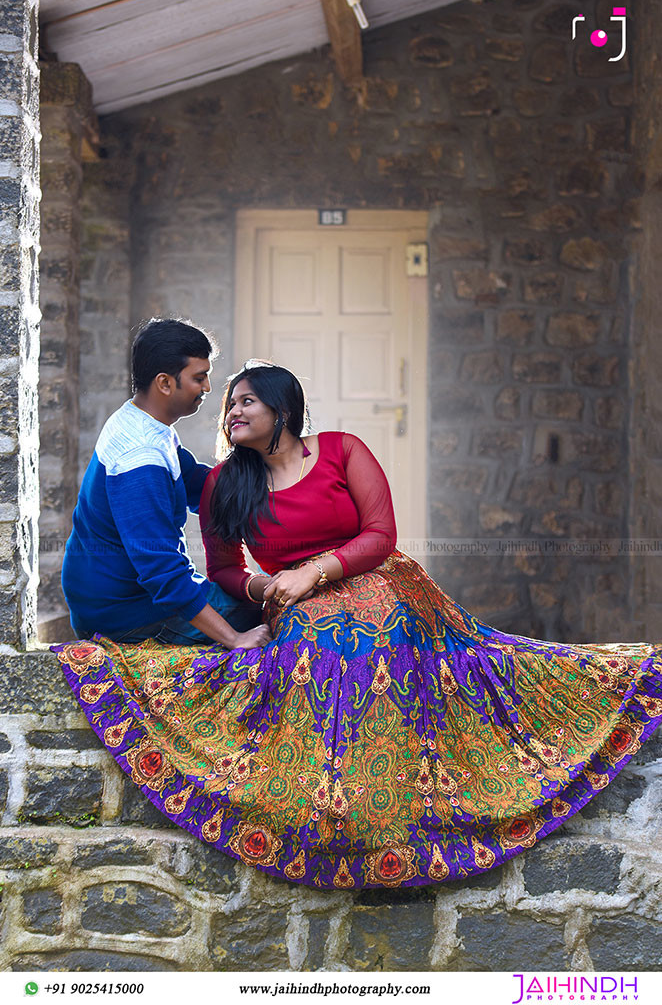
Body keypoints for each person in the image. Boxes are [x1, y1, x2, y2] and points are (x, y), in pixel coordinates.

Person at [54, 362, 662, 891]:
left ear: (282, 407)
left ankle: (415, 802)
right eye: (225, 403)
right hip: (296, 601)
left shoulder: (343, 450)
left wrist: (317, 570)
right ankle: (338, 809)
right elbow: (222, 569)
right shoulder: (223, 482)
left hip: (376, 578)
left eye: (245, 400)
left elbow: (380, 535)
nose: (230, 411)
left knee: (390, 636)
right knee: (317, 653)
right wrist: (267, 587)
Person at [60, 318, 269, 650]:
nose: (208, 389)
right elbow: (162, 572)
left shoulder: (145, 424)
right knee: (259, 616)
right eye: (199, 378)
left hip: (128, 595)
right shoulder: (140, 456)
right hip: (122, 611)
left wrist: (275, 482)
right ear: (165, 383)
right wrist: (235, 638)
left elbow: (199, 485)